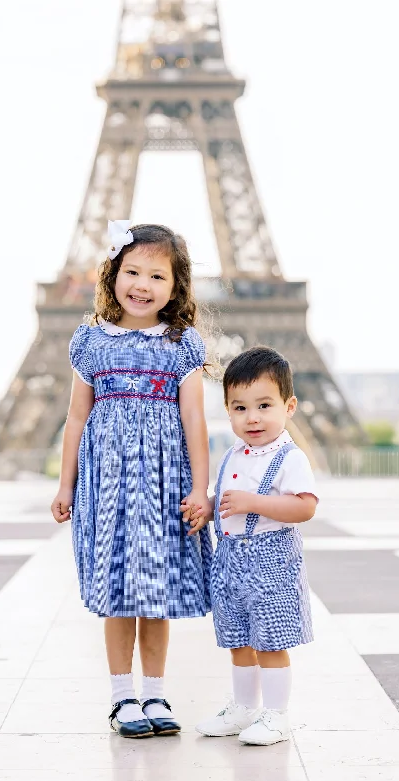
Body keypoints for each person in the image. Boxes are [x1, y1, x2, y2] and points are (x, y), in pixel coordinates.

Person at [51, 221, 212, 739]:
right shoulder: (91, 340)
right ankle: (123, 697)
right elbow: (77, 417)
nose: (142, 285)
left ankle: (156, 691)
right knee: (119, 589)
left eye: (157, 276)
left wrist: (200, 487)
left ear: (176, 286)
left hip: (165, 482)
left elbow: (194, 419)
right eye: (132, 271)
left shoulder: (181, 343)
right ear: (113, 274)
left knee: (155, 591)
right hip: (108, 485)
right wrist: (65, 484)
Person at [183, 346, 318, 745]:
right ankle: (244, 707)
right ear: (227, 411)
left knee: (271, 641)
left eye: (263, 405)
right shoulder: (233, 454)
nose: (252, 417)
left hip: (271, 564)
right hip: (230, 563)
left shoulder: (290, 458)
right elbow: (229, 503)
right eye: (240, 408)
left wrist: (253, 502)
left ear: (289, 406)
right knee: (238, 640)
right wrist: (206, 508)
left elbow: (305, 507)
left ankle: (276, 715)